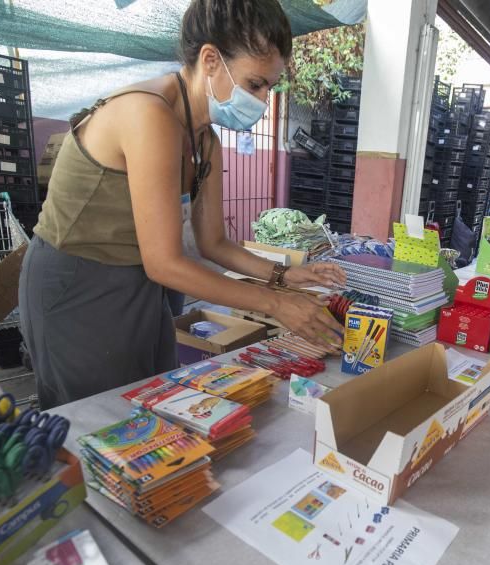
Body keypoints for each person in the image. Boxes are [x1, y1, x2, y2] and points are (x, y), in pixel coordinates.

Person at [19, 0, 345, 408]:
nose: (262, 102)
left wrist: (284, 276)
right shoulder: (147, 114)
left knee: (147, 406)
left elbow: (213, 244)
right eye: (255, 83)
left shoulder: (205, 139)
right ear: (210, 60)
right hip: (78, 284)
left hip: (139, 283)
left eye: (269, 88)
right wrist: (276, 304)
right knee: (96, 421)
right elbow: (165, 263)